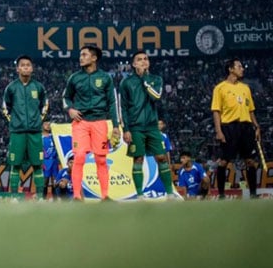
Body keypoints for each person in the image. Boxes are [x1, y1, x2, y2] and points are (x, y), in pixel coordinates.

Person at [62, 45, 120, 201]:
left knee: (101, 160)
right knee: (79, 157)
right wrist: (70, 110)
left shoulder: (106, 78)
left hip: (100, 122)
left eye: (84, 55)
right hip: (80, 122)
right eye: (80, 54)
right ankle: (76, 196)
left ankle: (105, 195)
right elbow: (65, 97)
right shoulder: (74, 78)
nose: (81, 57)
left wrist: (115, 126)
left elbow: (112, 102)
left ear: (94, 58)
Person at [119, 51, 176, 199]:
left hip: (152, 126)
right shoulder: (126, 82)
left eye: (146, 59)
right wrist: (125, 129)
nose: (143, 61)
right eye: (139, 59)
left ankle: (169, 193)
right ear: (133, 64)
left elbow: (155, 96)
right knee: (138, 159)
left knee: (162, 157)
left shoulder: (156, 79)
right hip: (135, 127)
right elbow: (123, 107)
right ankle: (140, 195)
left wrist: (145, 77)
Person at [211, 58, 262, 199]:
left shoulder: (245, 88)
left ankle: (253, 194)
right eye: (239, 66)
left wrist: (256, 127)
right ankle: (221, 194)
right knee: (224, 161)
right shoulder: (220, 88)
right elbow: (216, 111)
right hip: (229, 127)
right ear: (231, 69)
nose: (242, 69)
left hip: (246, 127)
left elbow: (251, 110)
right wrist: (219, 131)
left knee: (250, 161)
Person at [2, 55, 48, 201]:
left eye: (28, 65)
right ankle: (15, 196)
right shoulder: (11, 88)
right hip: (17, 132)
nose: (26, 67)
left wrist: (37, 121)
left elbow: (45, 105)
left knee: (37, 165)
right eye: (23, 65)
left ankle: (40, 197)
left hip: (35, 132)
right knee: (15, 165)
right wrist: (15, 122)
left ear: (32, 68)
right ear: (17, 69)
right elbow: (5, 107)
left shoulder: (38, 87)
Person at [41, 121, 60, 200]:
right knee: (45, 180)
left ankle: (55, 199)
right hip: (46, 161)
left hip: (54, 161)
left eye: (49, 124)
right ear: (42, 126)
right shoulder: (40, 137)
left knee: (54, 180)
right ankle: (43, 198)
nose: (48, 126)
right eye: (46, 124)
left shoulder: (54, 136)